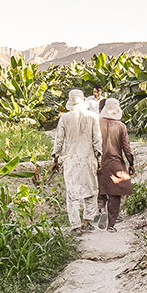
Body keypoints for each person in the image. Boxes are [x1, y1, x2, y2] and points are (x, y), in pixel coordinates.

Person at [52, 89, 102, 235]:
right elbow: (97, 140)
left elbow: (59, 141)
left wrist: (56, 158)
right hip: (88, 158)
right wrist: (99, 158)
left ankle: (76, 226)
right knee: (91, 190)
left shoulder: (65, 118)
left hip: (72, 159)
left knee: (72, 193)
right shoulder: (93, 117)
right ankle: (87, 221)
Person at [96, 98, 134, 232]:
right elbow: (126, 147)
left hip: (99, 161)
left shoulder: (97, 123)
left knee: (101, 188)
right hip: (115, 161)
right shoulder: (120, 126)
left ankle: (101, 210)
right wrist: (131, 163)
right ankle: (111, 225)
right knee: (116, 193)